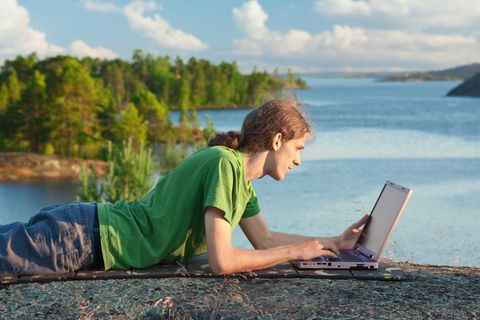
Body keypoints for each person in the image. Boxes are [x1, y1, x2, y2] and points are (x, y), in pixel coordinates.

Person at [0, 99, 368, 276]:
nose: (299, 160)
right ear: (276, 140)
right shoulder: (224, 164)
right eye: (297, 148)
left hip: (82, 230)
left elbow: (266, 240)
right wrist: (295, 253)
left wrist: (331, 243)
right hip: (82, 237)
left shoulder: (240, 182)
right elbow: (223, 262)